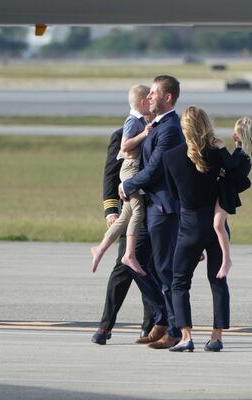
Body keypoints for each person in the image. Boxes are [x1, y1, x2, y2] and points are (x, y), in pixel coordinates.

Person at [119, 75, 184, 349]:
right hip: (149, 206)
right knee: (133, 260)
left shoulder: (169, 127)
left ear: (167, 98)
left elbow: (155, 167)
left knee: (164, 269)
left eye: (154, 93)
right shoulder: (155, 125)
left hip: (162, 206)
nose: (149, 98)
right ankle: (160, 317)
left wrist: (128, 184)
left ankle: (174, 329)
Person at [163, 106, 231, 352]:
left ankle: (186, 335)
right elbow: (235, 179)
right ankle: (216, 337)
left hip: (189, 225)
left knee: (179, 282)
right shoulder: (217, 154)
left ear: (184, 128)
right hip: (216, 224)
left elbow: (173, 195)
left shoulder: (170, 157)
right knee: (218, 281)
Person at [90, 125, 161, 345]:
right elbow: (111, 175)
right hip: (130, 210)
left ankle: (149, 326)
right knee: (123, 268)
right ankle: (105, 325)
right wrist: (111, 210)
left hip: (154, 210)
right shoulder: (122, 135)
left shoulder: (161, 131)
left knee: (153, 269)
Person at [91, 85, 153, 276]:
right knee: (137, 212)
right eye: (150, 99)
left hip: (136, 181)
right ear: (143, 102)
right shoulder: (131, 124)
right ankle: (128, 254)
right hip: (130, 175)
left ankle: (101, 248)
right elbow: (111, 174)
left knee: (128, 214)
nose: (152, 102)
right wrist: (110, 210)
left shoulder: (145, 124)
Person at [213, 117, 252, 279]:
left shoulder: (243, 154)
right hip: (223, 190)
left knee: (218, 224)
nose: (233, 136)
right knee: (215, 224)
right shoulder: (241, 152)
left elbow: (230, 164)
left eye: (237, 134)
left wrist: (221, 147)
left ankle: (226, 259)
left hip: (226, 194)